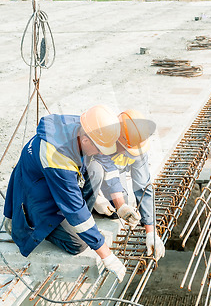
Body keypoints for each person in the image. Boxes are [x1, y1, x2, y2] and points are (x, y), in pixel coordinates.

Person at [1, 105, 139, 283]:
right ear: (87, 141)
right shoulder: (57, 158)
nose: (100, 152)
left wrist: (121, 205)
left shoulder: (85, 126)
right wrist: (107, 256)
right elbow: (75, 210)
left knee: (96, 169)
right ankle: (29, 225)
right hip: (35, 197)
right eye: (99, 148)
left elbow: (107, 163)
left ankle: (83, 227)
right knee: (79, 243)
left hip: (48, 182)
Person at [92, 109, 165, 262]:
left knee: (120, 202)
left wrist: (151, 231)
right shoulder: (102, 138)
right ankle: (90, 205)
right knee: (97, 176)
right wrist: (97, 197)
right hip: (91, 172)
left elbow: (143, 186)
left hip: (111, 176)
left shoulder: (136, 147)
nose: (132, 153)